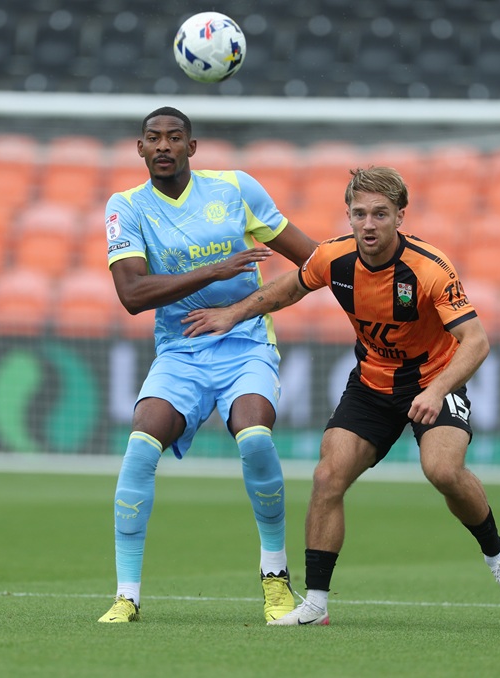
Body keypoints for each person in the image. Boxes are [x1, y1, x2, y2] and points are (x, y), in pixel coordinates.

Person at [183, 165, 500, 625]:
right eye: (359, 214)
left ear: (400, 217)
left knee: (443, 469)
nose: (368, 224)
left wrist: (437, 389)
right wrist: (233, 314)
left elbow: (477, 341)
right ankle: (316, 605)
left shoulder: (429, 268)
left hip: (433, 379)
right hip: (371, 385)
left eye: (380, 214)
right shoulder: (334, 258)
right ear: (348, 216)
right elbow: (287, 289)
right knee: (328, 476)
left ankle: (497, 555)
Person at [97, 107, 318, 623]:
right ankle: (126, 596)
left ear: (192, 148)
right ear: (140, 148)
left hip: (245, 345)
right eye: (154, 138)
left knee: (256, 436)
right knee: (139, 446)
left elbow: (312, 259)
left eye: (175, 137)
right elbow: (132, 294)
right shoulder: (126, 207)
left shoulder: (236, 189)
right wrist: (215, 270)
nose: (164, 146)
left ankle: (275, 579)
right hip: (180, 351)